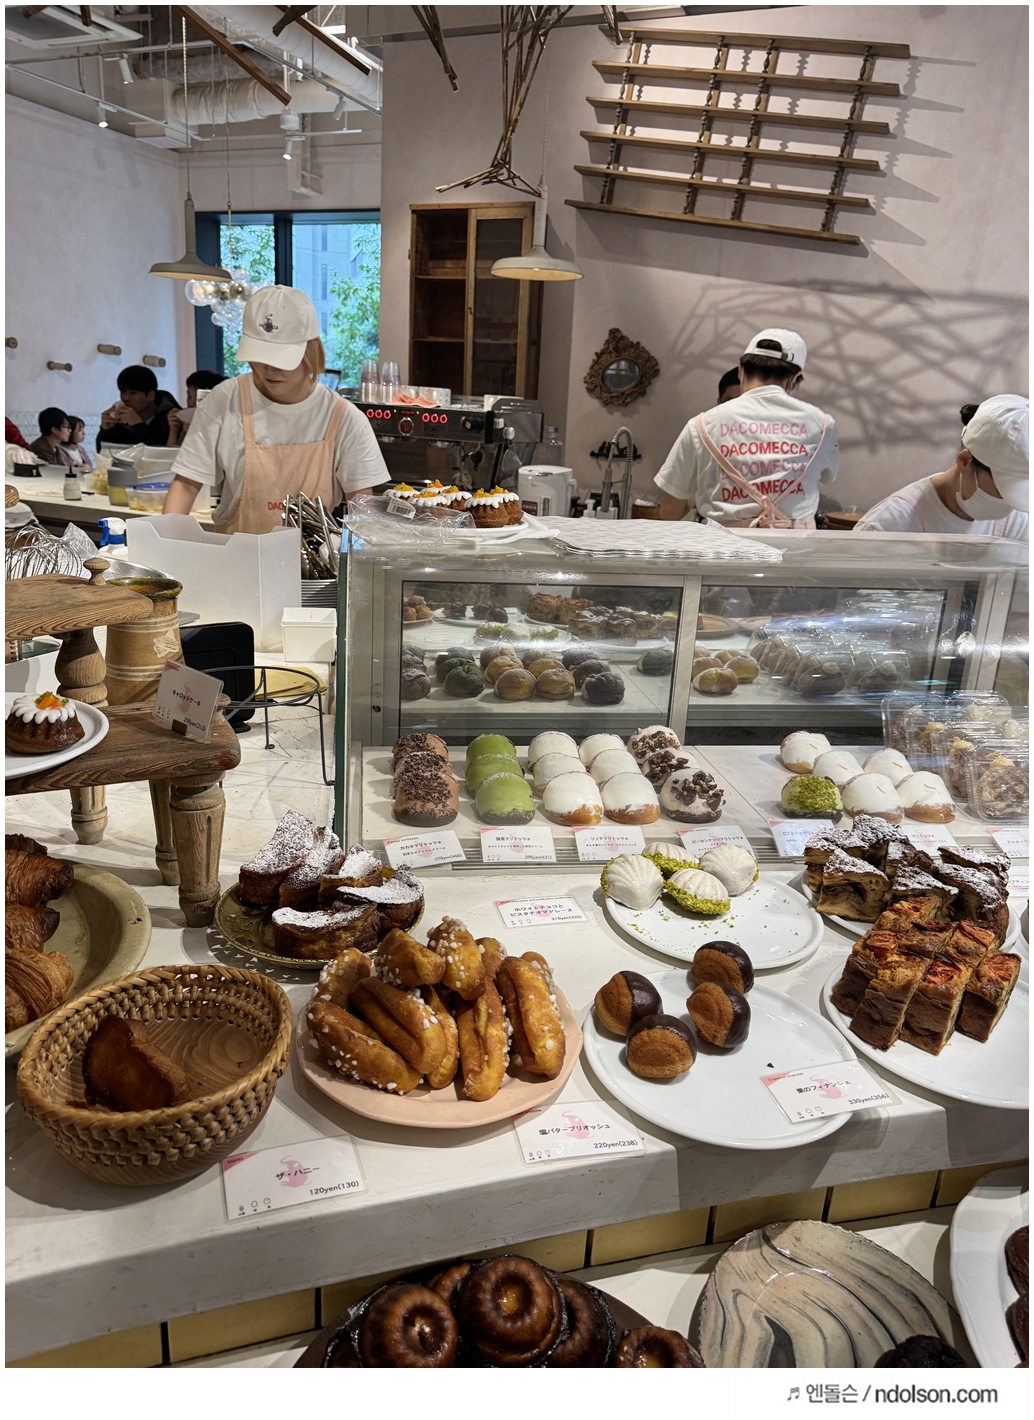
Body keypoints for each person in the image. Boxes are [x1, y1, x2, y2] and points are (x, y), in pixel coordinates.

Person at [163, 286, 388, 532]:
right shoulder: (225, 400)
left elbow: (362, 510)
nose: (269, 370)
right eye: (260, 357)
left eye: (281, 359)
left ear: (312, 351)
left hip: (313, 557)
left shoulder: (344, 418)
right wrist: (164, 544)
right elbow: (186, 485)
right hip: (236, 552)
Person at [656, 329, 839, 528]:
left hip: (722, 544)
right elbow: (828, 477)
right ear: (794, 379)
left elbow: (670, 511)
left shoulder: (701, 425)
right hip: (795, 544)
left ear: (740, 370)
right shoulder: (824, 425)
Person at [855, 394, 1028, 540]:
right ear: (965, 461)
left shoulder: (1016, 522)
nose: (1009, 503)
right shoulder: (888, 526)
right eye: (1003, 489)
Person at [98, 365, 180, 449]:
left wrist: (138, 425)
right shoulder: (121, 418)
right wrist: (105, 431)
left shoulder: (171, 418)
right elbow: (104, 453)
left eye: (132, 393)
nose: (125, 398)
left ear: (150, 396)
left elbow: (157, 451)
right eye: (123, 392)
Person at [166, 370, 228, 446]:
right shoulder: (184, 422)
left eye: (198, 398)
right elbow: (172, 452)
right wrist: (174, 429)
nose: (191, 403)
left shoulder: (224, 425)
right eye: (189, 396)